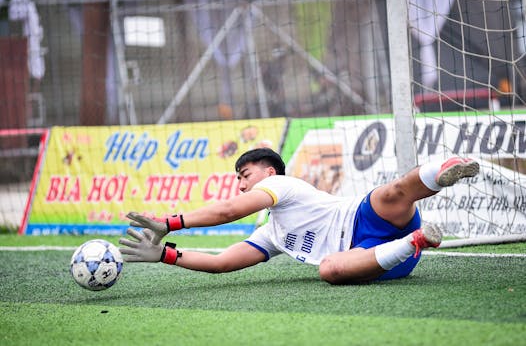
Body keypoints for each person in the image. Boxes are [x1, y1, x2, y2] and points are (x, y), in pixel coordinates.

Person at [119, 148, 479, 284]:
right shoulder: (272, 233)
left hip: (363, 215)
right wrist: (165, 255)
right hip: (378, 260)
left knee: (391, 193)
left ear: (270, 174)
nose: (241, 187)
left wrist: (169, 223)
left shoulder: (286, 186)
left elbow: (229, 210)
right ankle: (416, 242)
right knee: (329, 270)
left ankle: (447, 167)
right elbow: (222, 263)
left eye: (244, 177)